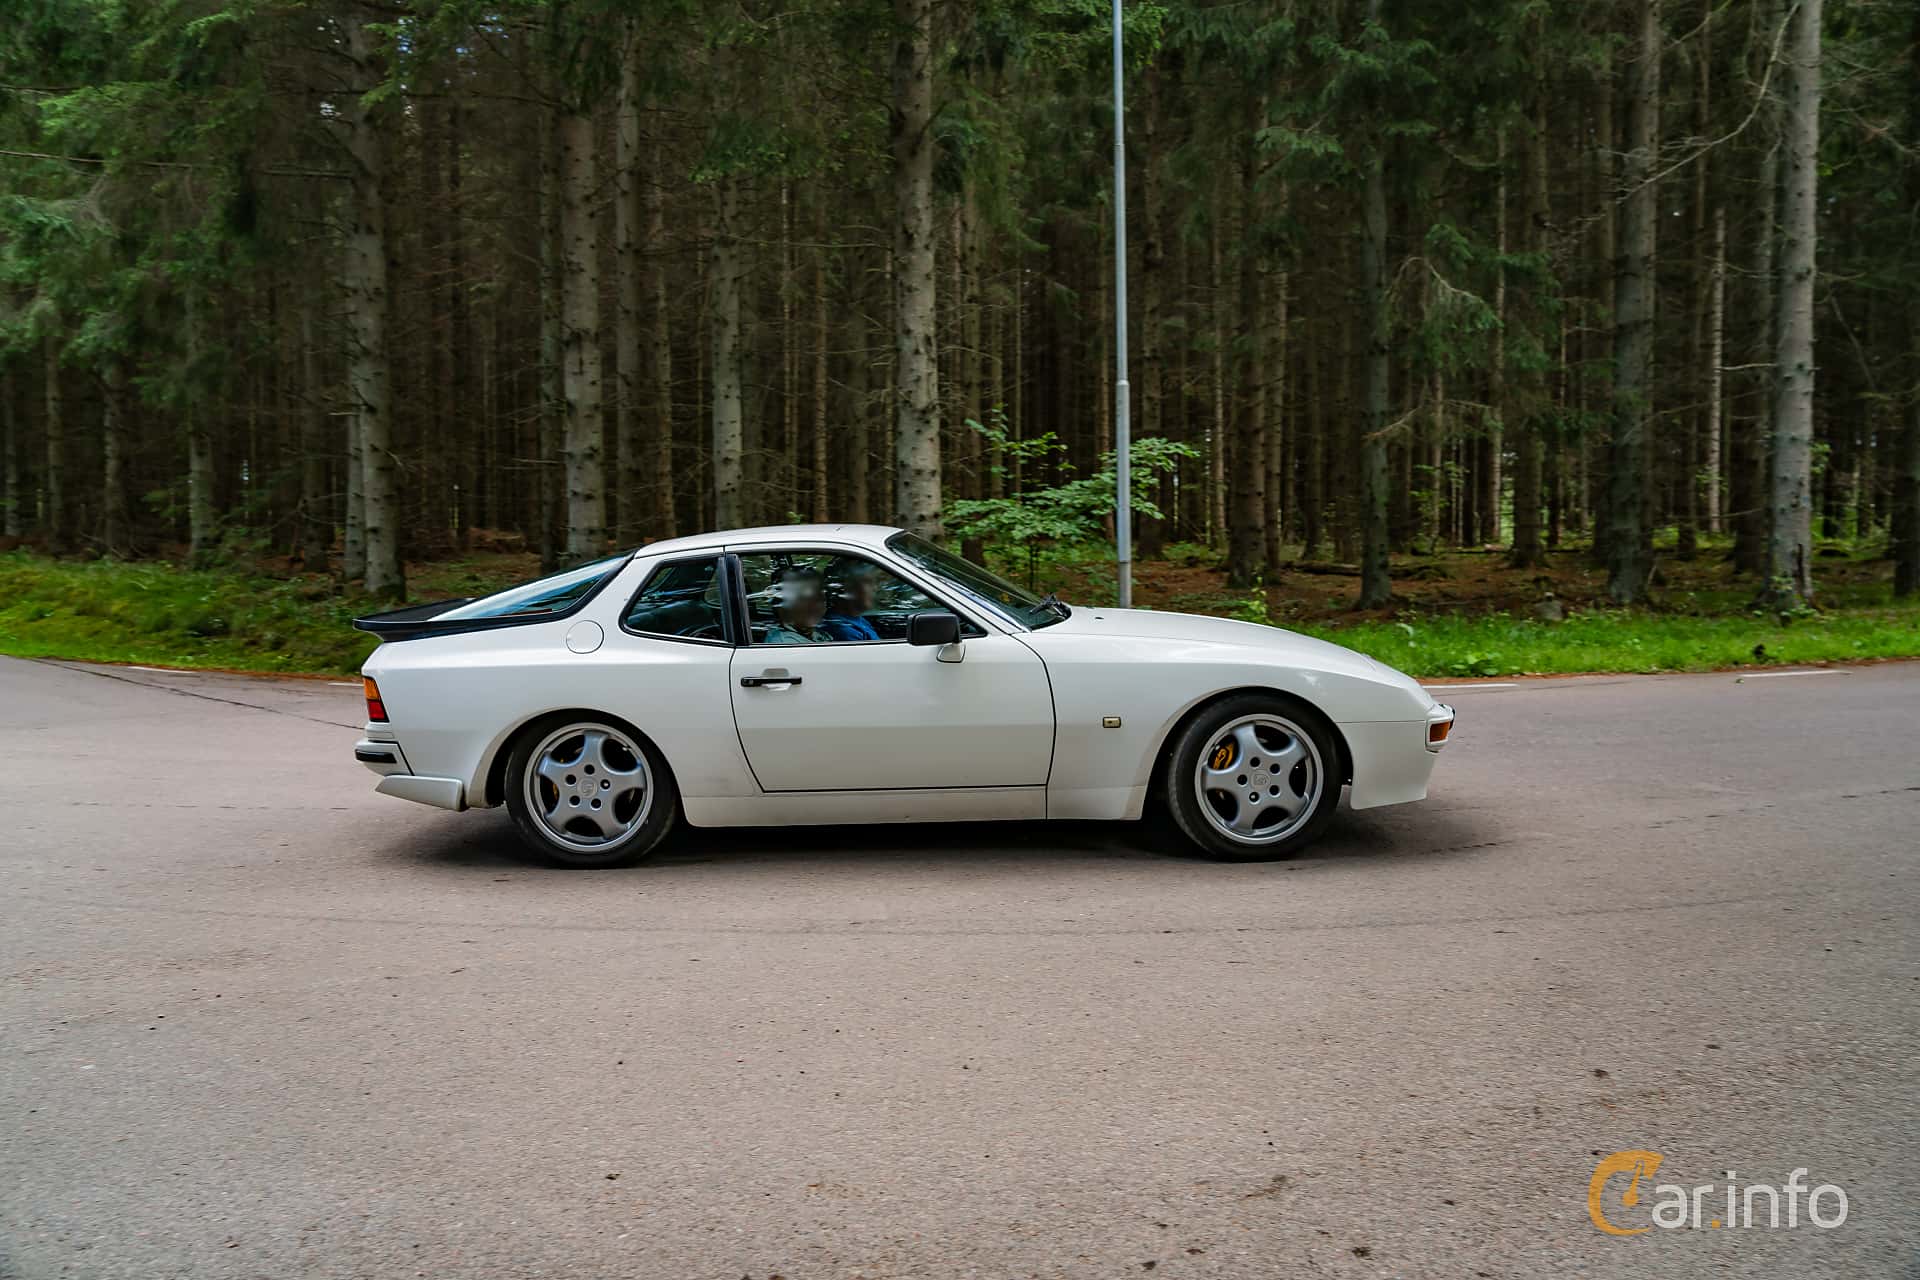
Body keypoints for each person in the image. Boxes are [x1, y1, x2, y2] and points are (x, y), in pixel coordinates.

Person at [819, 560, 883, 642]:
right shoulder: (844, 631)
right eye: (868, 582)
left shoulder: (857, 620)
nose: (875, 588)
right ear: (844, 588)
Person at [762, 565, 829, 643]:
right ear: (781, 606)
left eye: (820, 599)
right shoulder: (785, 643)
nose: (815, 606)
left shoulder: (816, 633)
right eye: (803, 599)